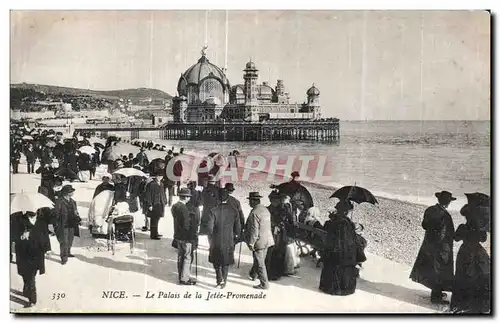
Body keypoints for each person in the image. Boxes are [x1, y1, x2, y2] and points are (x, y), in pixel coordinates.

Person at [410, 191, 456, 305]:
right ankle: (436, 297)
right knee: (440, 270)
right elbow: (447, 233)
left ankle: (436, 293)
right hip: (441, 247)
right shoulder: (445, 216)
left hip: (429, 245)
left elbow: (424, 225)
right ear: (448, 203)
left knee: (431, 268)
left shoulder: (430, 210)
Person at [450, 203, 491, 314]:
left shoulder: (463, 227)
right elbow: (483, 239)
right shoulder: (480, 228)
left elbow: (456, 238)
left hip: (464, 252)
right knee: (480, 275)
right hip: (478, 252)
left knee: (462, 276)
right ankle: (477, 304)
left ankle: (461, 304)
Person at [11, 209, 52, 308]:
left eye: (35, 210)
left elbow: (45, 236)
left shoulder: (42, 222)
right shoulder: (20, 221)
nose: (33, 212)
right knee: (25, 274)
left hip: (37, 254)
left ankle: (32, 299)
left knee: (31, 277)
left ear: (37, 210)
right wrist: (21, 236)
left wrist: (48, 249)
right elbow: (12, 236)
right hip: (23, 253)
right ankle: (27, 291)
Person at [319, 200, 359, 296]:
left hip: (332, 252)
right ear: (346, 211)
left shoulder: (335, 220)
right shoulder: (344, 223)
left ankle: (328, 286)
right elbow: (347, 240)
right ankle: (341, 288)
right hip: (341, 253)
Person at [206, 189, 241, 288]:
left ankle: (219, 279)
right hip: (229, 240)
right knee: (226, 261)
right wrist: (236, 236)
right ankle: (223, 281)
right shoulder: (234, 211)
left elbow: (209, 229)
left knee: (216, 260)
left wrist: (210, 238)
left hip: (216, 240)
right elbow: (238, 228)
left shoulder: (213, 211)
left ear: (218, 198)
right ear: (228, 198)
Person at [244, 192, 275, 290]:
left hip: (259, 241)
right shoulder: (265, 210)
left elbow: (254, 230)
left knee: (260, 262)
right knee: (260, 259)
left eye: (250, 201)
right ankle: (253, 275)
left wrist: (251, 243)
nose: (249, 203)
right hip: (268, 239)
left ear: (254, 201)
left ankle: (264, 284)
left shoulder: (254, 213)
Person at [266, 191, 297, 280]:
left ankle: (277, 272)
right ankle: (270, 272)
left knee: (279, 252)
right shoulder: (268, 209)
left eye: (276, 199)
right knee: (271, 252)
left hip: (281, 235)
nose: (275, 201)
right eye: (272, 199)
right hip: (271, 234)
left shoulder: (284, 209)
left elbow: (291, 222)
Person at [171, 188, 198, 285]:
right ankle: (185, 278)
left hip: (178, 236)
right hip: (186, 238)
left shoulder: (174, 206)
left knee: (180, 257)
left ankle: (181, 276)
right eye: (189, 197)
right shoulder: (184, 209)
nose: (189, 199)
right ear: (185, 197)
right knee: (187, 257)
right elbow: (187, 225)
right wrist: (193, 237)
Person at [54, 185, 81, 265]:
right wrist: (56, 225)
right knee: (64, 241)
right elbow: (56, 214)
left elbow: (76, 211)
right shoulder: (59, 201)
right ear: (67, 193)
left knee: (70, 240)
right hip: (63, 224)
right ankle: (64, 257)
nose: (73, 192)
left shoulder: (73, 201)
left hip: (71, 223)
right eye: (71, 191)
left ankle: (68, 252)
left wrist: (78, 218)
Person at [144, 174, 167, 240]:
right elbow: (148, 195)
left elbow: (163, 193)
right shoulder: (151, 184)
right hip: (154, 204)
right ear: (155, 176)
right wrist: (150, 204)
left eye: (161, 176)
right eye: (158, 176)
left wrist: (165, 201)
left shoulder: (161, 184)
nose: (160, 177)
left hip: (160, 203)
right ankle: (153, 235)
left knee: (158, 219)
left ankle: (156, 232)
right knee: (154, 220)